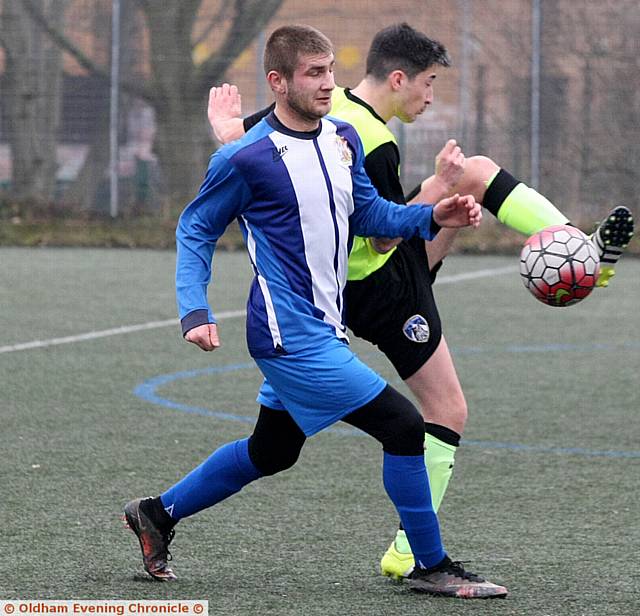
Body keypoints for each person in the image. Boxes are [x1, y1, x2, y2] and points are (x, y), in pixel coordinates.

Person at [207, 23, 635, 580]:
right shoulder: (374, 142)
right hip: (377, 289)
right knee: (445, 411)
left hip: (355, 282)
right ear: (399, 77)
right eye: (428, 84)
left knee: (474, 175)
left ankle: (577, 248)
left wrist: (226, 129)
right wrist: (436, 191)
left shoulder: (324, 100)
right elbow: (382, 235)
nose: (431, 97)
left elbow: (260, 136)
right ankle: (412, 552)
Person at [123, 24, 509, 599]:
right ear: (277, 83)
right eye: (314, 73)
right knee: (404, 427)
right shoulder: (245, 158)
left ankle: (157, 513)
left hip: (324, 328)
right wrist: (193, 309)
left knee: (270, 452)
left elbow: (372, 216)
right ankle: (432, 564)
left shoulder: (342, 139)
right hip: (286, 335)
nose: (329, 84)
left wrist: (433, 218)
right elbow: (195, 228)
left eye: (330, 70)